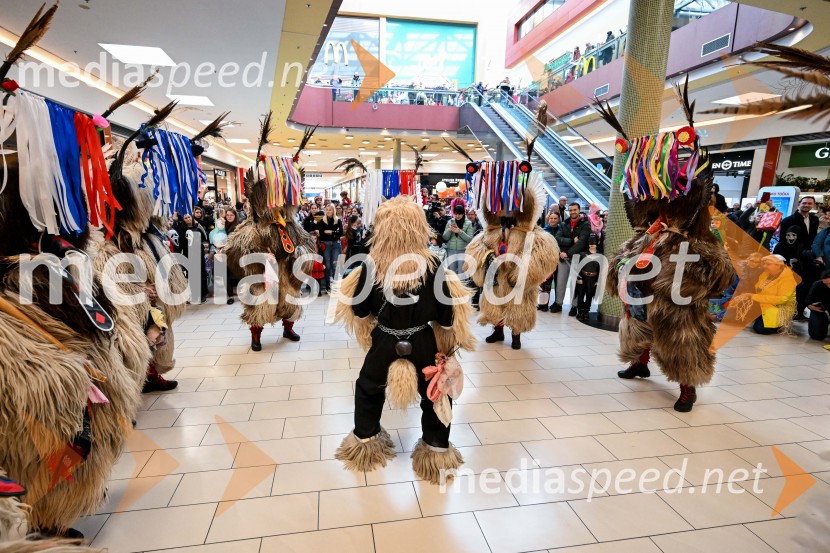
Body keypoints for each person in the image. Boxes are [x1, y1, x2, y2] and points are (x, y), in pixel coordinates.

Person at [334, 196, 475, 484]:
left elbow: (360, 310)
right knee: (437, 392)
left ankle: (365, 441)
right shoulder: (434, 265)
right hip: (423, 341)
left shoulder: (370, 265)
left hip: (384, 340)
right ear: (418, 228)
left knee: (368, 388)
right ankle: (436, 450)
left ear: (382, 228)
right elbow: (447, 317)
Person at [465, 156, 559, 350]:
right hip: (497, 278)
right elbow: (474, 253)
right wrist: (486, 261)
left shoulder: (533, 234)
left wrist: (524, 272)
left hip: (517, 283)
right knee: (494, 306)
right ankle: (497, 330)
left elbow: (544, 256)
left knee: (518, 307)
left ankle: (516, 336)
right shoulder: (489, 232)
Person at [739, 255, 798, 335]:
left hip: (776, 307)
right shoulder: (765, 274)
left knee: (761, 329)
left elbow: (782, 299)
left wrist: (753, 296)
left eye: (768, 264)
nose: (764, 266)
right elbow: (758, 289)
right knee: (735, 317)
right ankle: (757, 317)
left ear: (779, 266)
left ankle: (778, 324)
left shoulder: (788, 279)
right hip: (762, 303)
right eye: (765, 264)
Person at [554, 203, 591, 316]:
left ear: (579, 210)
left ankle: (574, 306)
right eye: (570, 210)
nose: (573, 212)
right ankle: (558, 303)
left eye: (575, 210)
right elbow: (557, 238)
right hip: (563, 258)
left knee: (575, 283)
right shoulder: (564, 223)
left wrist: (568, 253)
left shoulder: (585, 224)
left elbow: (582, 242)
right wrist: (571, 241)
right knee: (561, 282)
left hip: (577, 257)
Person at [174, 212, 209, 303]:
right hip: (188, 255)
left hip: (199, 254)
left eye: (189, 217)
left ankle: (203, 294)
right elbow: (180, 244)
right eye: (185, 218)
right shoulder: (182, 230)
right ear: (183, 220)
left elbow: (205, 239)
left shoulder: (198, 228)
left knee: (201, 274)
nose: (188, 219)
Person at [539, 210, 561, 312]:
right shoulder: (544, 230)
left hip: (560, 261)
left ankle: (557, 303)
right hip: (547, 261)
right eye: (551, 218)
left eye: (555, 218)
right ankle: (543, 304)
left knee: (558, 283)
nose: (553, 220)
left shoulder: (562, 229)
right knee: (545, 284)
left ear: (558, 219)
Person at [575, 235, 601, 321]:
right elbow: (578, 267)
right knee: (581, 295)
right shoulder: (582, 254)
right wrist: (579, 278)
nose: (592, 245)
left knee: (589, 296)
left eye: (594, 243)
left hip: (593, 279)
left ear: (597, 243)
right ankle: (580, 312)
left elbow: (601, 269)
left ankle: (586, 311)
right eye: (590, 243)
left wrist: (598, 280)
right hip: (583, 277)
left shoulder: (600, 255)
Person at [442, 204, 474, 275]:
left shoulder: (468, 223)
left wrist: (460, 232)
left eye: (459, 214)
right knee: (451, 272)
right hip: (451, 250)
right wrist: (449, 230)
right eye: (456, 214)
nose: (457, 216)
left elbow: (469, 239)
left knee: (461, 272)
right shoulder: (450, 222)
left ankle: (462, 285)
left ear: (463, 213)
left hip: (462, 250)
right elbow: (445, 237)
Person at [318, 203, 343, 292]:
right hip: (326, 244)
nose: (328, 211)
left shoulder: (338, 220)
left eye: (330, 210)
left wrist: (330, 232)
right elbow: (321, 233)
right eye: (327, 210)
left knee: (335, 265)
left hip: (336, 244)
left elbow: (340, 233)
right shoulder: (322, 221)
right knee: (327, 265)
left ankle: (335, 284)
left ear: (333, 211)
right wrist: (334, 232)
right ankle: (328, 285)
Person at [806, 269, 830, 341]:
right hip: (820, 309)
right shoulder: (817, 284)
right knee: (817, 335)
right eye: (826, 284)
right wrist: (811, 306)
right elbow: (808, 300)